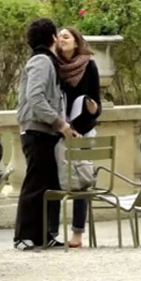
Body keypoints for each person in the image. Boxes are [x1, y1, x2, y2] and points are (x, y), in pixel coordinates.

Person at [14, 18, 78, 251]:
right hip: (37, 130)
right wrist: (60, 123)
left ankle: (45, 234)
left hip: (44, 131)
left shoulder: (47, 61)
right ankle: (23, 236)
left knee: (49, 186)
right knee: (35, 185)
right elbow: (36, 97)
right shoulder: (42, 61)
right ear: (52, 38)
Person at [56, 26, 102, 248]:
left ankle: (77, 233)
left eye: (67, 36)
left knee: (82, 181)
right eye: (60, 36)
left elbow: (97, 105)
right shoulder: (53, 64)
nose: (62, 39)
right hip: (58, 130)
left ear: (76, 42)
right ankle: (51, 230)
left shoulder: (88, 64)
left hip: (82, 129)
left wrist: (89, 112)